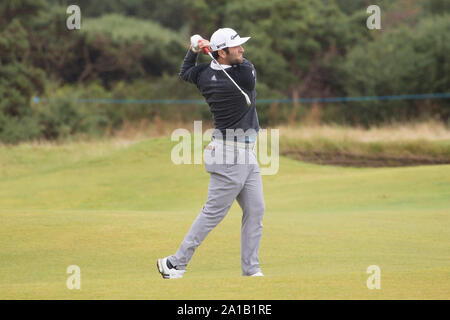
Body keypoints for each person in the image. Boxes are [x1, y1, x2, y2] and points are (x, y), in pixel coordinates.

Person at [157, 28, 265, 279]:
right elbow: (243, 64)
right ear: (223, 53)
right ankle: (174, 264)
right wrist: (204, 48)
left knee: (256, 210)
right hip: (231, 155)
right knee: (212, 214)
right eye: (236, 47)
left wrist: (194, 49)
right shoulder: (245, 74)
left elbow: (185, 72)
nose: (242, 50)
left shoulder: (205, 74)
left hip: (244, 153)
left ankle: (251, 270)